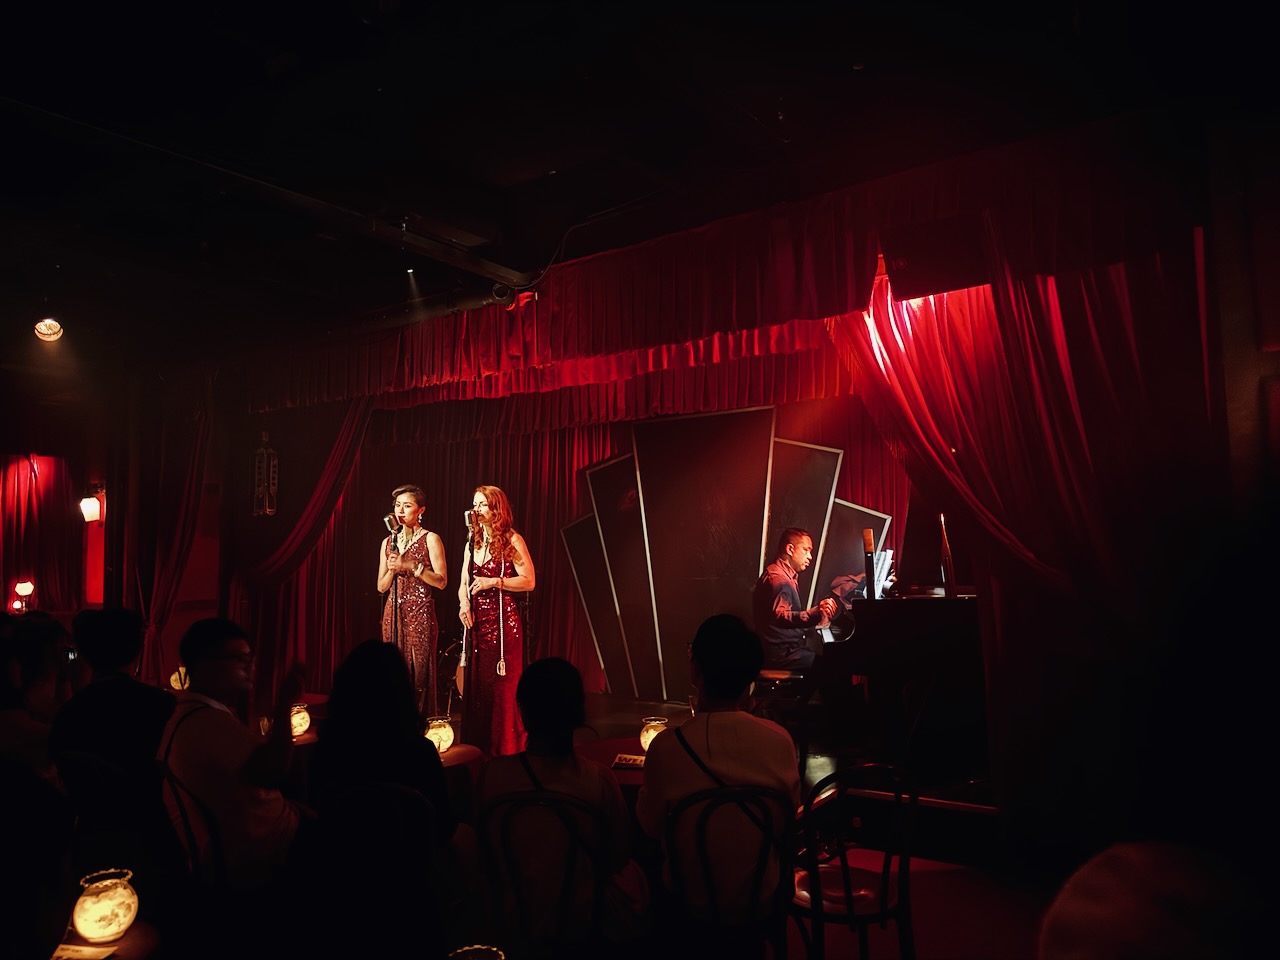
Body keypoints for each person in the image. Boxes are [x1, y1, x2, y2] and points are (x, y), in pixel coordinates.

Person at [635, 614, 801, 926]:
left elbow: (650, 826)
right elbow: (786, 820)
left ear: (695, 670)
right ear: (752, 673)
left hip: (686, 906)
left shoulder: (666, 747)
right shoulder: (779, 741)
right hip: (761, 902)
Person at [476, 656, 650, 946]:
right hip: (581, 922)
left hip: (511, 920)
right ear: (578, 711)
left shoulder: (492, 776)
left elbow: (484, 851)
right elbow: (618, 856)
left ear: (522, 711)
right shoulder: (598, 780)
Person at [157, 617, 314, 898]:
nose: (249, 666)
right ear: (204, 664)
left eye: (249, 658)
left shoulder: (186, 712)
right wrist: (285, 704)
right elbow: (274, 772)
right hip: (262, 856)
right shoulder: (207, 722)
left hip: (233, 849)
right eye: (238, 658)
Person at [457, 484, 534, 757]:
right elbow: (464, 581)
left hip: (503, 624)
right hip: (477, 625)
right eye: (474, 504)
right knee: (479, 689)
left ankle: (504, 750)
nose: (476, 509)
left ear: (496, 509)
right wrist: (463, 604)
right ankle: (477, 748)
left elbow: (529, 581)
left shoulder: (512, 539)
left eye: (482, 504)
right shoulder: (473, 541)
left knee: (501, 690)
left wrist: (494, 582)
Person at [377, 483, 447, 719]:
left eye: (407, 506)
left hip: (420, 611)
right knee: (393, 670)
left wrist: (410, 566)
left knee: (419, 673)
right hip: (393, 612)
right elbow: (381, 586)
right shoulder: (388, 543)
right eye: (397, 505)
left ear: (420, 510)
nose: (400, 510)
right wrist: (393, 568)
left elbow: (441, 581)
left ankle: (418, 722)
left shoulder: (431, 539)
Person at [752, 527, 838, 670]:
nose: (810, 556)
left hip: (783, 650)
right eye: (806, 550)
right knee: (831, 667)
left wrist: (818, 618)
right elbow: (780, 617)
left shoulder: (783, 574)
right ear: (790, 549)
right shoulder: (779, 579)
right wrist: (815, 612)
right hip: (781, 655)